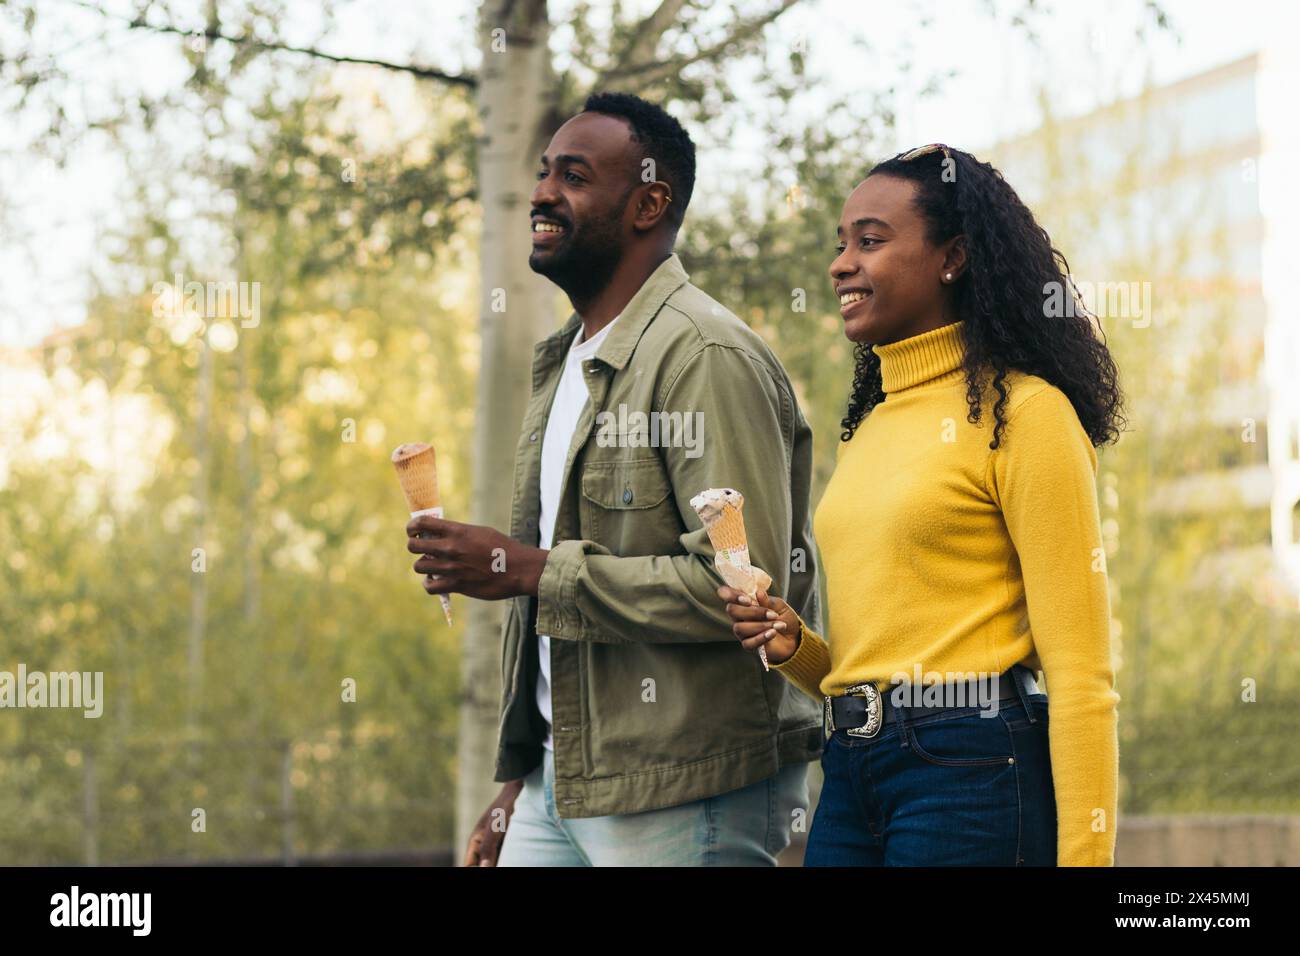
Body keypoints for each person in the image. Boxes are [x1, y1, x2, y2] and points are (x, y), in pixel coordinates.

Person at [406, 92, 824, 866]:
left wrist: (526, 569)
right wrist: (517, 784)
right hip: (559, 786)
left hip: (686, 786)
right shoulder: (566, 359)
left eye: (573, 175)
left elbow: (742, 589)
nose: (541, 194)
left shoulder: (703, 355)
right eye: (541, 174)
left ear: (647, 204)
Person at [720, 143, 1125, 866]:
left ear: (954, 256)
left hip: (975, 769)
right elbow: (885, 662)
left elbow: (1082, 674)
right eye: (840, 245)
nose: (841, 263)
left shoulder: (1027, 415)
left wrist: (1089, 860)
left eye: (870, 241)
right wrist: (797, 649)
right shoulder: (871, 428)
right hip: (851, 767)